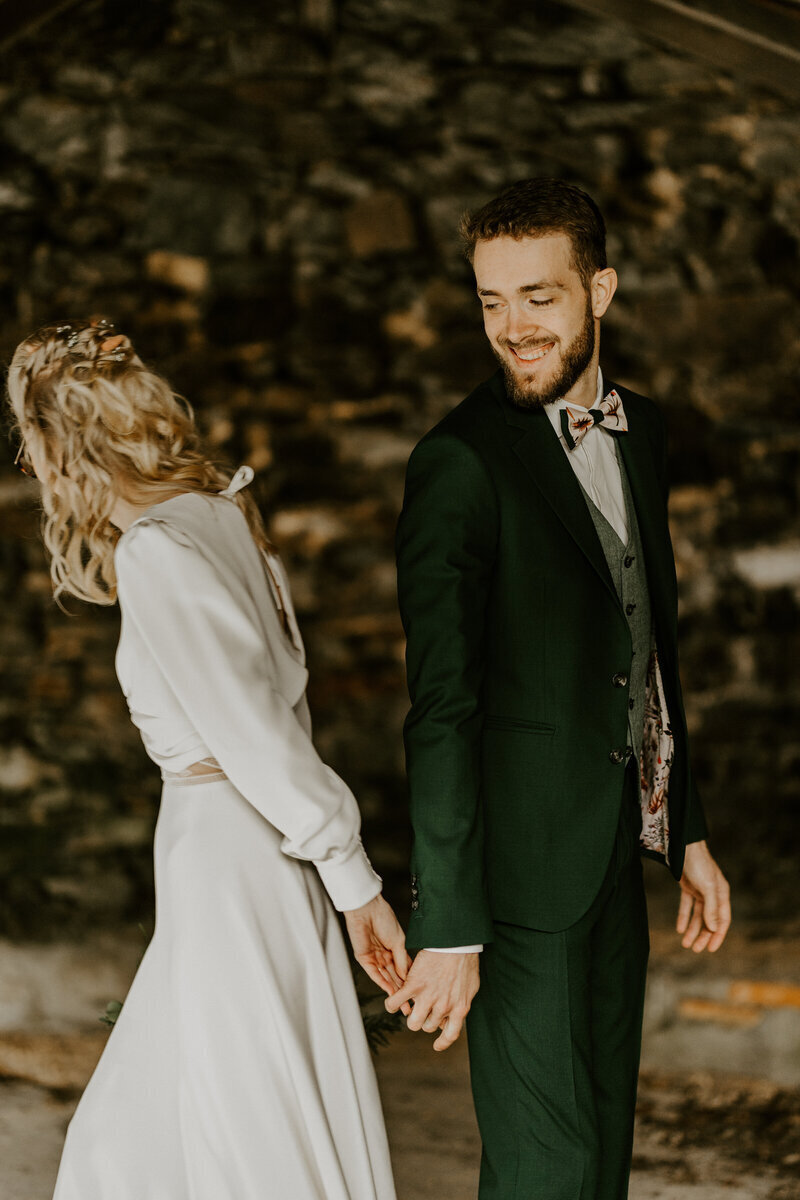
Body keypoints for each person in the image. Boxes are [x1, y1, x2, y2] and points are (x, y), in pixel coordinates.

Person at [6, 318, 407, 1200]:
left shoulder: (158, 551)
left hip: (228, 859)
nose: (28, 467)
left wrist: (355, 880)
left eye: (29, 442)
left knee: (212, 1120)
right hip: (251, 855)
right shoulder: (221, 512)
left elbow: (259, 732)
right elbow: (286, 707)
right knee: (166, 1118)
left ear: (62, 441)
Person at [388, 178, 732, 1199]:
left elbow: (643, 639)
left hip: (611, 860)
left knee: (601, 1164)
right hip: (512, 887)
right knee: (546, 1169)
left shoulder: (644, 433)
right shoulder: (456, 462)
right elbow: (439, 710)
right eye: (490, 301)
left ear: (601, 290)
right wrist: (446, 921)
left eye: (537, 297)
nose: (512, 328)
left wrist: (687, 828)